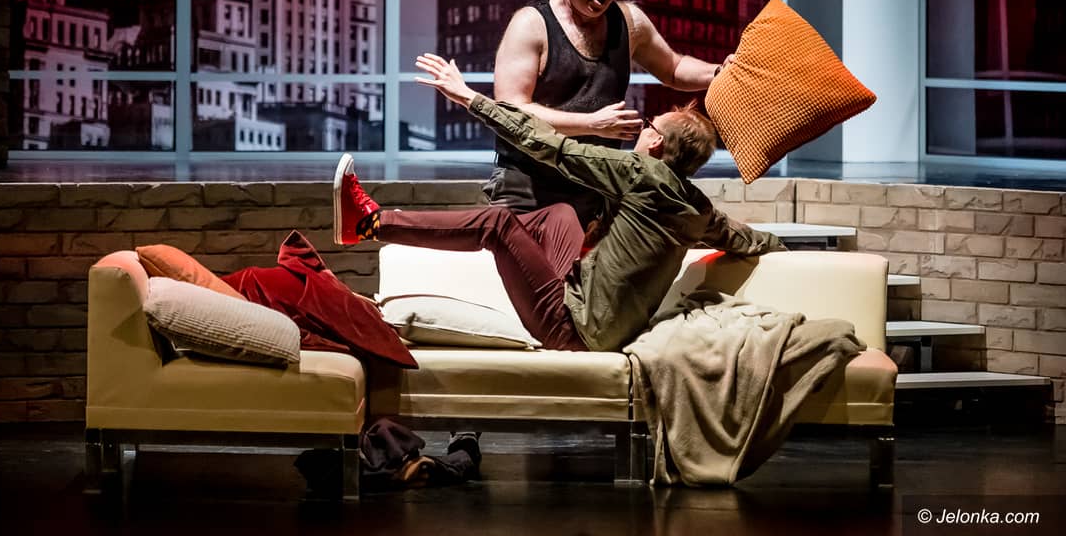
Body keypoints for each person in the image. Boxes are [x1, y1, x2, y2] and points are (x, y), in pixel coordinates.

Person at [332, 53, 785, 353]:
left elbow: (546, 143)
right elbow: (744, 237)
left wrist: (470, 98)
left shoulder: (639, 173)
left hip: (573, 330)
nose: (643, 129)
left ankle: (369, 223)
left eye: (650, 125)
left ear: (656, 144)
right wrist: (789, 251)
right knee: (561, 214)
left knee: (498, 224)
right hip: (595, 316)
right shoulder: (698, 208)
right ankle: (530, 270)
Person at [486, 0, 734, 227]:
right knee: (535, 258)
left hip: (596, 185)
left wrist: (719, 73)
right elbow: (510, 111)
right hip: (528, 184)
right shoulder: (530, 24)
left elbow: (672, 68)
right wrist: (592, 124)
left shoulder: (629, 21)